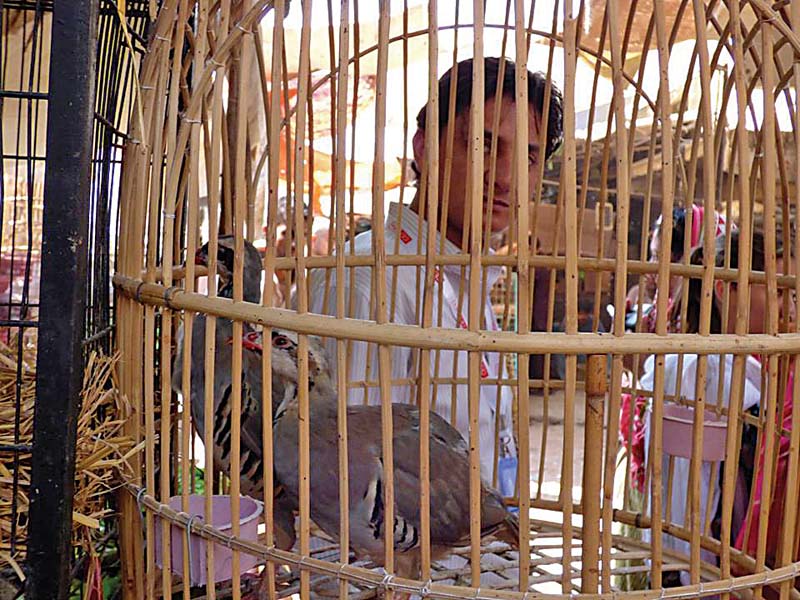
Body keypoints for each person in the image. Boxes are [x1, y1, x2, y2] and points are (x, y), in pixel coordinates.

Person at [307, 56, 563, 484]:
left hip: (469, 548)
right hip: (399, 552)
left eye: (528, 158)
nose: (505, 177)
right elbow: (341, 476)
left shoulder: (466, 276)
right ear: (424, 149)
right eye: (484, 145)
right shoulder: (368, 281)